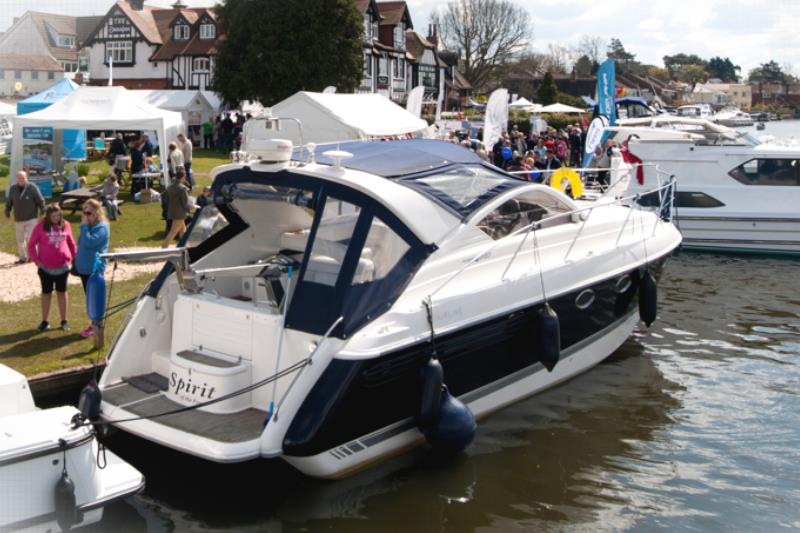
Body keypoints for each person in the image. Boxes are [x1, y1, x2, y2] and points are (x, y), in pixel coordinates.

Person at [27, 204, 76, 331]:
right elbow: (31, 245)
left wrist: (74, 258)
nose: (56, 218)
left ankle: (64, 321)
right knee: (46, 293)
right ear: (48, 216)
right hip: (45, 268)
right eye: (53, 216)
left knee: (62, 292)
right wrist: (37, 261)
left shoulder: (66, 225)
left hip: (63, 267)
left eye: (58, 215)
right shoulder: (40, 226)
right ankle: (45, 321)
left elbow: (71, 243)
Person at [74, 199, 110, 338]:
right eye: (84, 212)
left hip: (94, 269)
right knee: (89, 297)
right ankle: (94, 324)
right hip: (84, 268)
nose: (85, 216)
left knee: (95, 297)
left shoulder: (102, 228)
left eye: (88, 213)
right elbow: (81, 243)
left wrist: (84, 227)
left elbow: (90, 242)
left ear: (97, 212)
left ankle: (96, 325)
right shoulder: (89, 226)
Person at [5, 170, 45, 264]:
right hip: (18, 219)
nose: (21, 179)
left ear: (26, 178)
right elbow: (9, 202)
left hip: (31, 218)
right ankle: (22, 258)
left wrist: (43, 212)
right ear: (17, 178)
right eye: (19, 178)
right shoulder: (13, 188)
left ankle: (32, 256)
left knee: (30, 238)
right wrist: (7, 213)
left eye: (23, 178)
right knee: (20, 240)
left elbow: (41, 200)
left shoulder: (32, 187)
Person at [163, 168, 191, 248]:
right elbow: (185, 202)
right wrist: (191, 207)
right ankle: (164, 247)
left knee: (183, 230)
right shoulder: (182, 188)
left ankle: (183, 246)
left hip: (172, 211)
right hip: (180, 213)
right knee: (173, 232)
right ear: (183, 177)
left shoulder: (170, 186)